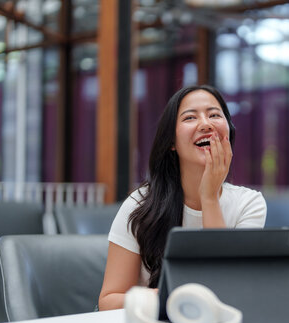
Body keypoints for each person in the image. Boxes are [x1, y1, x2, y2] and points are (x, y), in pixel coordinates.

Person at [98, 85, 267, 310]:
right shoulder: (140, 204)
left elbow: (224, 291)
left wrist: (209, 198)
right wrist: (175, 297)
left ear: (228, 132)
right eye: (190, 117)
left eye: (215, 115)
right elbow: (109, 300)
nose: (206, 124)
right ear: (171, 142)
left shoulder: (249, 204)